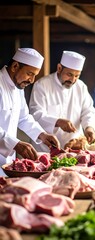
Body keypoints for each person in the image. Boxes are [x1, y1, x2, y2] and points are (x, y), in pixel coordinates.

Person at [0, 47, 60, 176]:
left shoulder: (18, 88)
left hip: (7, 163)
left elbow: (24, 117)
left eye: (34, 75)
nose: (32, 80)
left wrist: (42, 135)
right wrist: (15, 144)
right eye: (29, 74)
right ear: (15, 66)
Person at [29, 50, 95, 150]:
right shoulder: (42, 85)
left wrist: (89, 128)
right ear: (59, 68)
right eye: (69, 74)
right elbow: (36, 114)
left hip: (74, 146)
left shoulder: (81, 87)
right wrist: (57, 122)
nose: (73, 80)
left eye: (77, 76)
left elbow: (88, 111)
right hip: (45, 148)